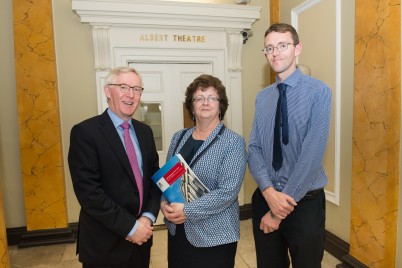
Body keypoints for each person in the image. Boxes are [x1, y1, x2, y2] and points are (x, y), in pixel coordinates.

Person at [248, 23, 332, 268]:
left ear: (297, 48)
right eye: (269, 48)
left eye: (282, 45)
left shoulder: (319, 92)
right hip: (266, 197)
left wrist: (277, 211)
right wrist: (268, 192)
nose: (275, 53)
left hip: (304, 204)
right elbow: (254, 149)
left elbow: (312, 155)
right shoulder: (262, 97)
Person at [68, 67, 161, 267]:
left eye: (137, 89)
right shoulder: (85, 133)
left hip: (141, 242)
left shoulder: (145, 132)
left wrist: (147, 217)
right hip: (104, 245)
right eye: (124, 87)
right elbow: (89, 193)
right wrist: (130, 227)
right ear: (108, 91)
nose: (131, 94)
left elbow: (155, 179)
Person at [160, 74, 247, 268]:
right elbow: (167, 179)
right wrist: (164, 204)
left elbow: (228, 192)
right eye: (199, 98)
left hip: (214, 236)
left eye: (211, 97)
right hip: (178, 232)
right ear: (191, 106)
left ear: (221, 104)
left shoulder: (233, 142)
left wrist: (187, 210)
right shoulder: (178, 137)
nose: (205, 102)